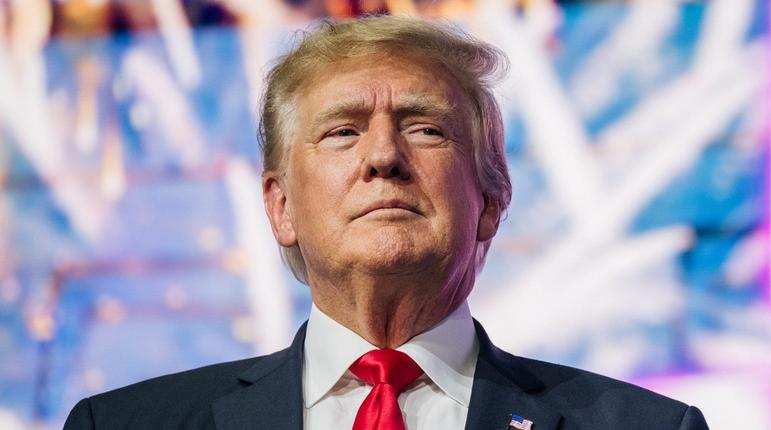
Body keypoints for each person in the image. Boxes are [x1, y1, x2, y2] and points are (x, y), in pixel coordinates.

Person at [64, 16, 709, 430]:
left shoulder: (647, 426)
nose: (382, 157)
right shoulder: (122, 424)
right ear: (280, 206)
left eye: (425, 129)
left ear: (489, 202)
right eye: (343, 132)